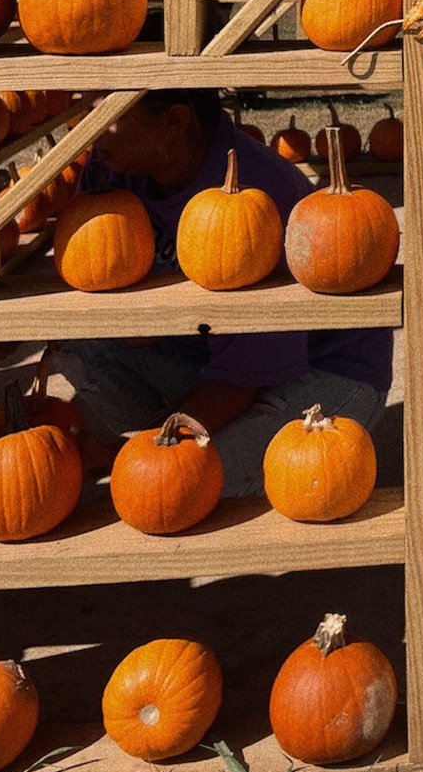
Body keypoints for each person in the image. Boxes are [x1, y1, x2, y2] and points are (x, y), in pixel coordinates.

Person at [54, 90, 391, 494]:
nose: (85, 127)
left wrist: (144, 453)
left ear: (175, 122)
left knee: (189, 488)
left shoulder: (261, 199)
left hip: (322, 369)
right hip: (212, 355)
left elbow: (241, 379)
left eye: (102, 113)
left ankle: (147, 450)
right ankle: (157, 442)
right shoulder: (111, 168)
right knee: (76, 345)